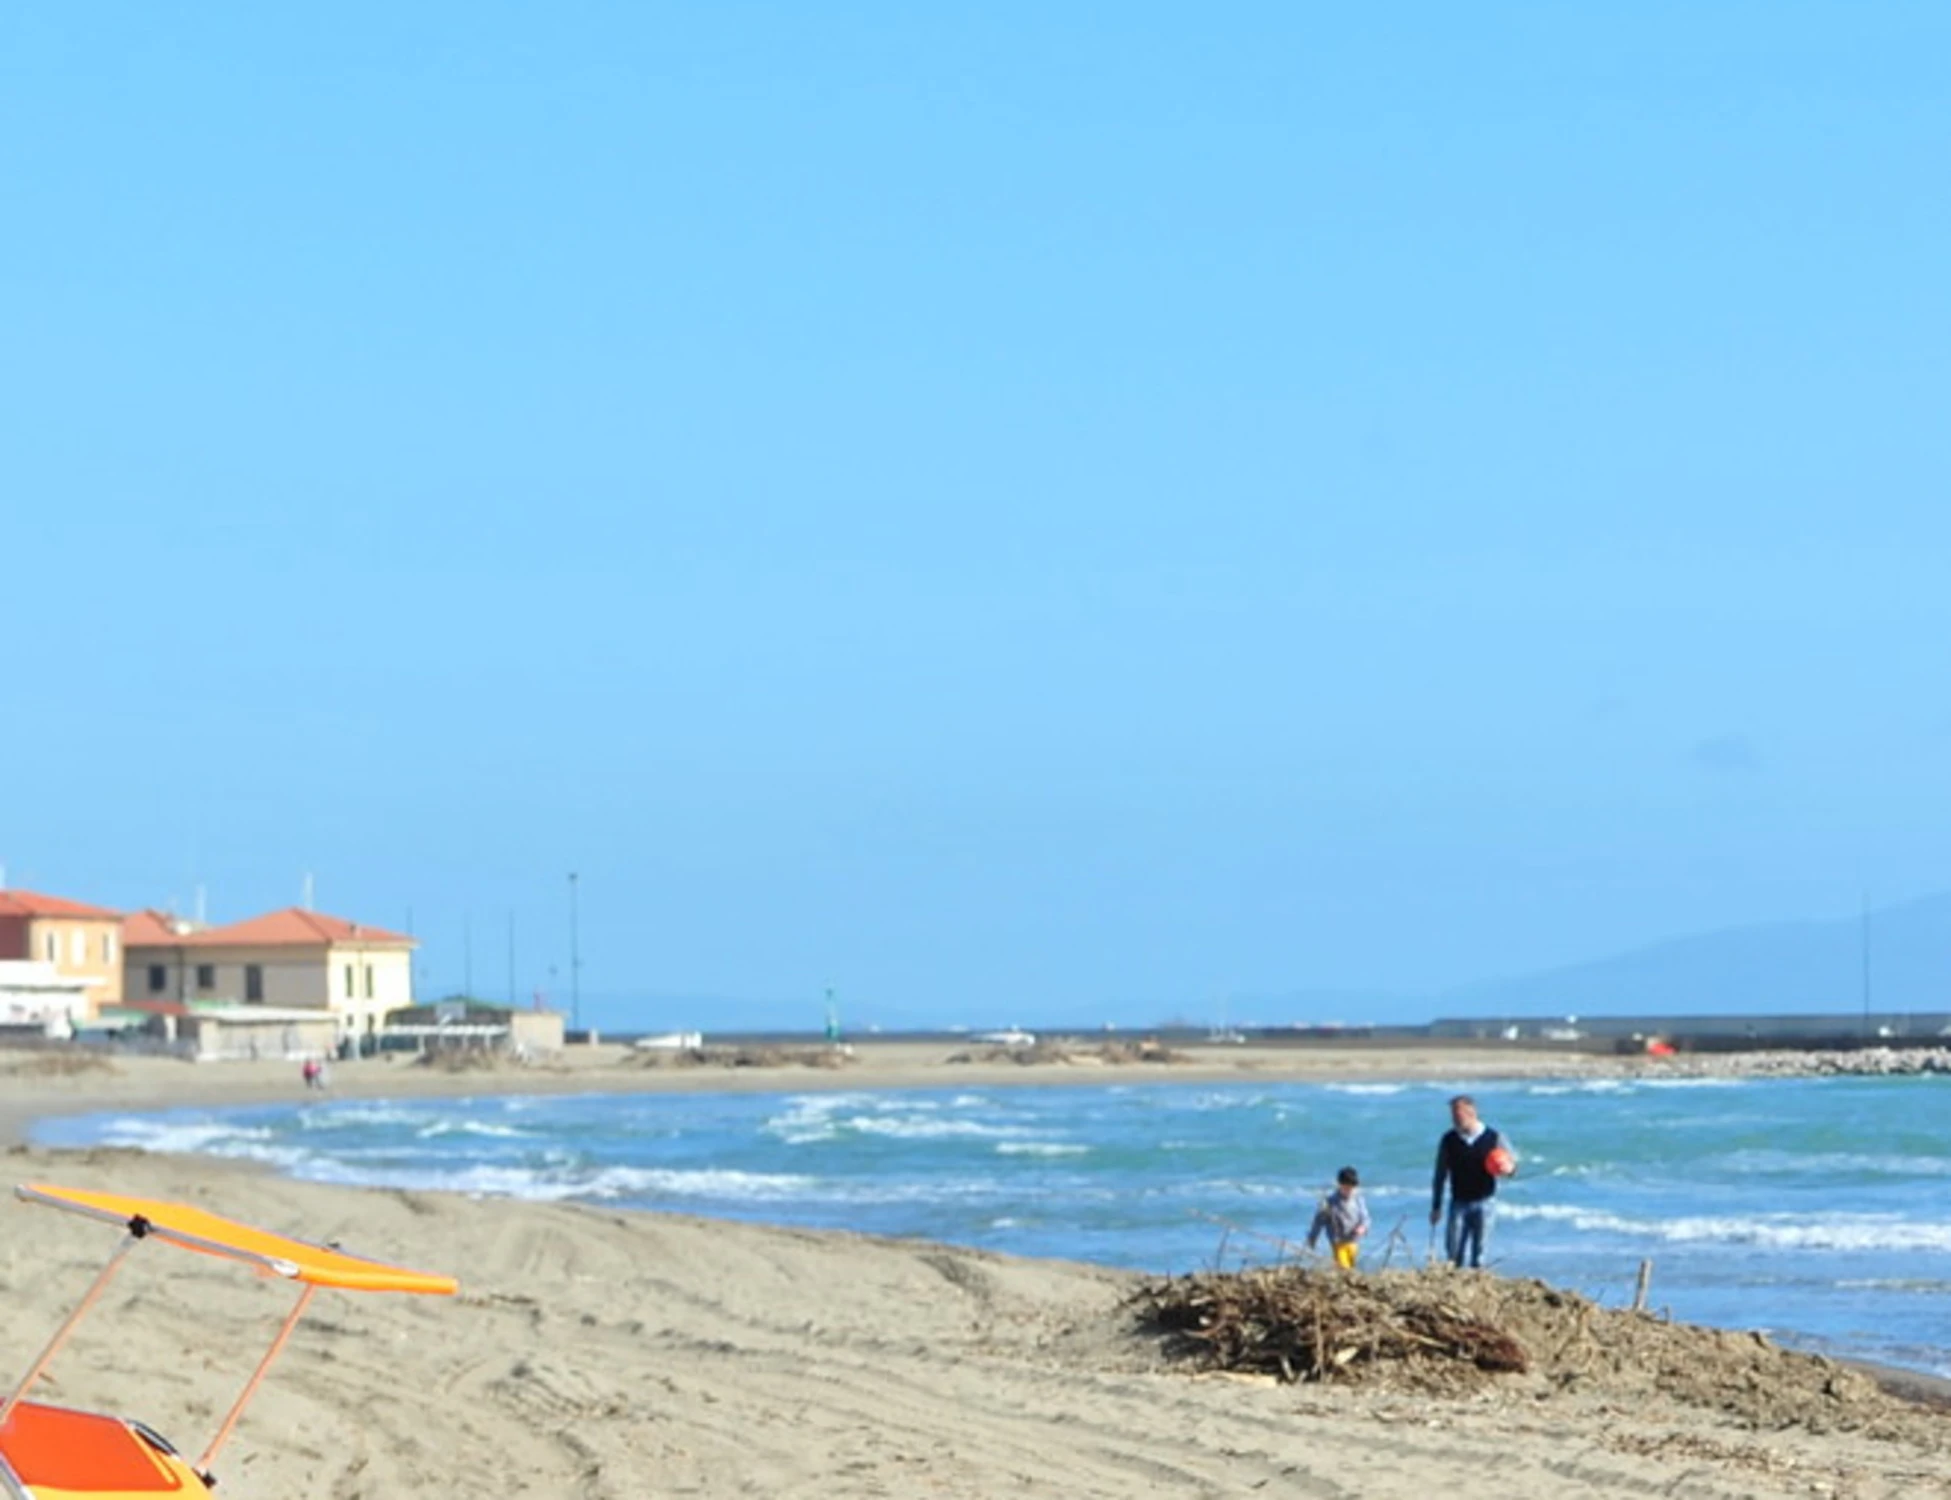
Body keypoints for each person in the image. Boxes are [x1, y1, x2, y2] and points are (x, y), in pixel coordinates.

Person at [1429, 1095, 1513, 1268]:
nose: (1454, 1120)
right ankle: (1454, 1281)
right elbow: (1440, 1174)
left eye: (1458, 1115)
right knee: (1453, 1255)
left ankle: (1477, 1280)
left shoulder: (1494, 1137)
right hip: (1459, 1203)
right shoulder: (1449, 1140)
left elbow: (1511, 1166)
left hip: (1485, 1202)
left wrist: (1508, 1169)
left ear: (1471, 1112)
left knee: (1479, 1256)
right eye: (1453, 1116)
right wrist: (1436, 1206)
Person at [1307, 1166, 1371, 1269]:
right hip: (1338, 1242)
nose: (1349, 1191)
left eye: (1351, 1188)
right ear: (1339, 1185)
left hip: (1353, 1240)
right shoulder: (1330, 1202)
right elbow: (1318, 1222)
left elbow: (1365, 1218)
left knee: (1351, 1266)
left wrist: (1363, 1228)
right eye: (1346, 1188)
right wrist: (1312, 1238)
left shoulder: (1358, 1200)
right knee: (1343, 1268)